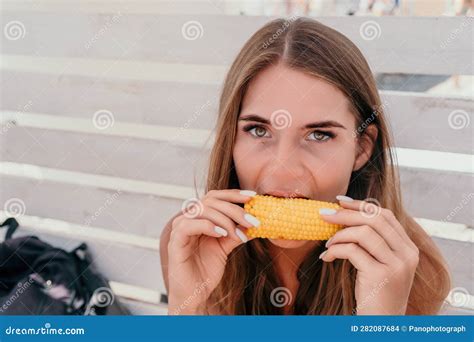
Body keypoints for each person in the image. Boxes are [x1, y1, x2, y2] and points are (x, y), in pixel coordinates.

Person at [160, 17, 451, 315]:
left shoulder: (413, 273)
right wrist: (187, 307)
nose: (282, 171)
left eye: (319, 135)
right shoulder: (188, 243)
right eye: (259, 130)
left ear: (362, 148)